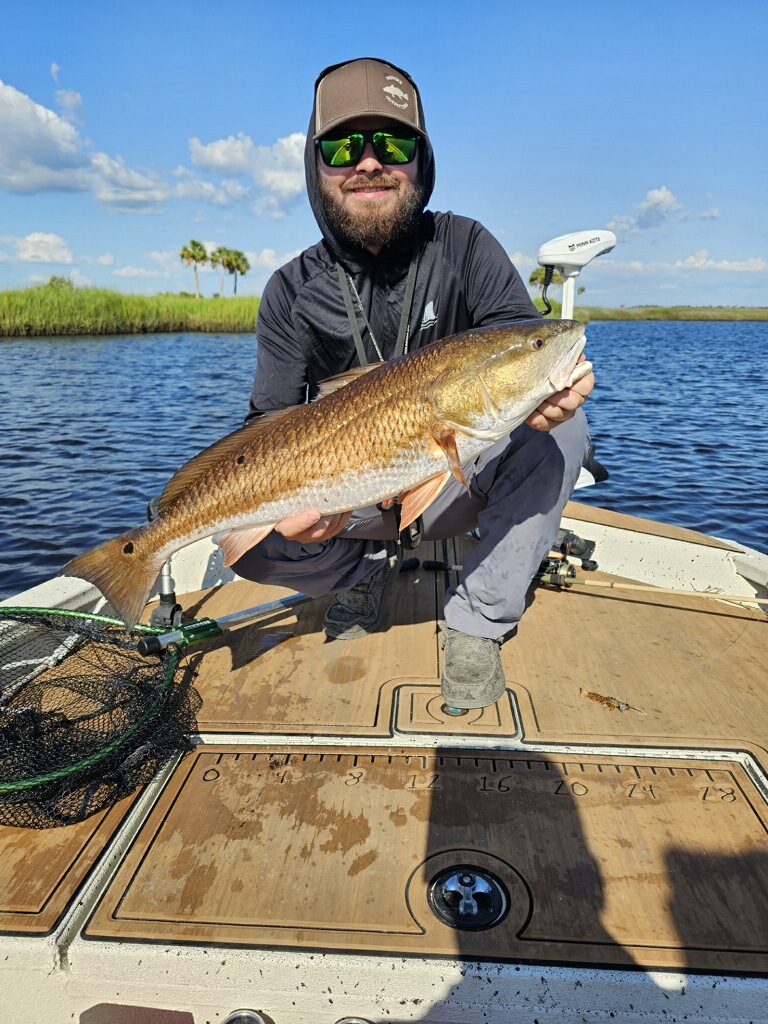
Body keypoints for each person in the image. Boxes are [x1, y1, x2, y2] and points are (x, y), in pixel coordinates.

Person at [233, 57, 594, 710]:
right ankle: (357, 575)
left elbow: (520, 338)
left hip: (454, 479)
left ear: (421, 161)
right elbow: (265, 428)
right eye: (343, 146)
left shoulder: (467, 247)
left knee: (564, 431)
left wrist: (552, 391)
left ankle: (477, 622)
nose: (368, 162)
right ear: (315, 168)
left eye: (393, 144)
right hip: (347, 498)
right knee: (246, 545)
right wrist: (301, 515)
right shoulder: (289, 291)